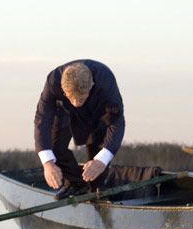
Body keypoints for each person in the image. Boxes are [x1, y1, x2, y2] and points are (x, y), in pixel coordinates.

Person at [34, 60, 125, 198]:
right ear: (63, 89)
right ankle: (76, 184)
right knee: (54, 146)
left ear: (91, 86)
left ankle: (97, 192)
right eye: (72, 97)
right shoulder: (53, 81)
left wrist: (101, 160)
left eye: (81, 98)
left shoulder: (106, 82)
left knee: (97, 156)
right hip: (64, 109)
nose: (76, 103)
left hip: (98, 111)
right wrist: (47, 164)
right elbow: (42, 120)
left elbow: (117, 122)